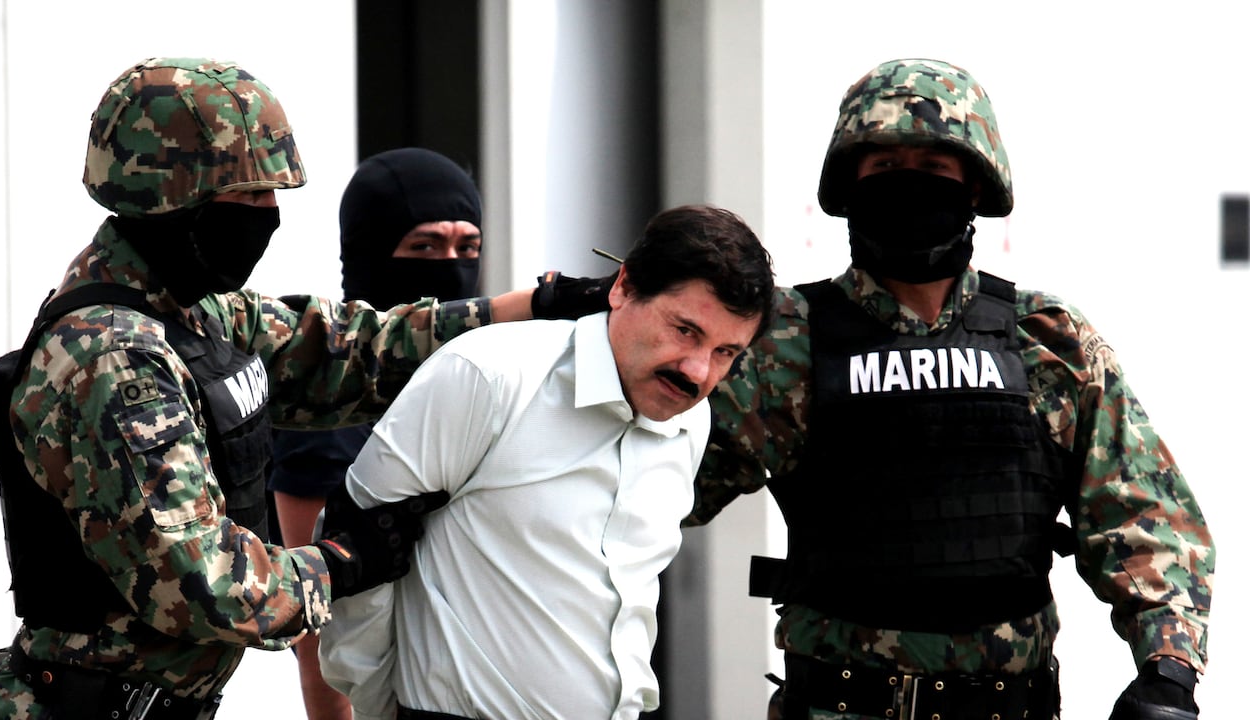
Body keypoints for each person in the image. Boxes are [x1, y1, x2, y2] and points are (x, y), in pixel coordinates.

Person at [0, 57, 540, 719]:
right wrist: (342, 563)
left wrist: (531, 308)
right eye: (249, 197)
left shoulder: (188, 310)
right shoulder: (116, 358)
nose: (269, 216)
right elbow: (202, 582)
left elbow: (343, 353)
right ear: (174, 197)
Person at [686, 58, 1215, 720]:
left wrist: (1168, 671)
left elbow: (1142, 516)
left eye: (932, 168)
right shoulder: (781, 341)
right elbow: (657, 487)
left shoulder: (1048, 341)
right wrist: (634, 341)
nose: (907, 184)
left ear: (975, 188)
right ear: (850, 186)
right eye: (885, 166)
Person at [317, 204, 777, 720]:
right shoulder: (487, 375)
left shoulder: (690, 419)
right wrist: (385, 710)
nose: (697, 371)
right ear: (623, 287)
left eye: (725, 352)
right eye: (685, 330)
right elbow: (357, 546)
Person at [268, 146, 485, 720]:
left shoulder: (478, 377)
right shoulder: (327, 410)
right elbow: (317, 624)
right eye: (425, 247)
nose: (450, 266)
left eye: (467, 247)